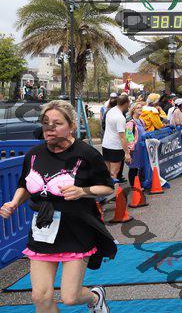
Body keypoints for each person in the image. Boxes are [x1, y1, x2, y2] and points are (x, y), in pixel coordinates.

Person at [0, 100, 115, 312]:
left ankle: (94, 297)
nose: (50, 128)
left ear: (71, 126)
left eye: (57, 123)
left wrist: (82, 191)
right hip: (43, 231)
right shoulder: (34, 154)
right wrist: (14, 203)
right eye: (46, 123)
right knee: (40, 297)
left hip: (76, 229)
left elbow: (107, 187)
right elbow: (25, 184)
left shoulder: (87, 154)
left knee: (70, 297)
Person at [101, 95, 131, 183]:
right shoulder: (120, 117)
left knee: (107, 172)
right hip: (115, 147)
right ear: (126, 103)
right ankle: (113, 190)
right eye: (129, 103)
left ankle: (106, 189)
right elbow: (122, 137)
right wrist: (127, 153)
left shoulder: (110, 111)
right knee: (114, 173)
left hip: (106, 144)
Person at [126, 101, 147, 186]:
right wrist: (131, 149)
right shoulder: (130, 123)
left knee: (141, 166)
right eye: (138, 108)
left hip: (142, 147)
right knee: (133, 167)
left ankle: (140, 183)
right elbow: (129, 137)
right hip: (135, 149)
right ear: (133, 110)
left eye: (141, 107)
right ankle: (133, 185)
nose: (140, 109)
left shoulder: (141, 121)